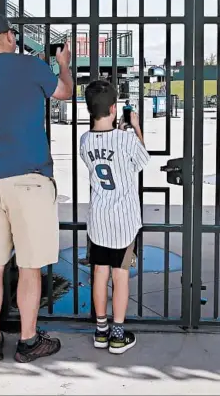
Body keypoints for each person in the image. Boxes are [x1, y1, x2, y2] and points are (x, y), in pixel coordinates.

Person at [0, 13, 73, 362]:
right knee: (30, 266)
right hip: (29, 179)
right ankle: (29, 340)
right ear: (6, 36)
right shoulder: (29, 66)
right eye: (12, 34)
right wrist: (63, 64)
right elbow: (64, 93)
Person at [79, 80, 149, 354]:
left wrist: (117, 131)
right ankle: (118, 336)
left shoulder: (85, 140)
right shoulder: (127, 139)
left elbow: (101, 156)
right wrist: (136, 126)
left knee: (99, 273)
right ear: (113, 107)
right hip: (124, 221)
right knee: (120, 275)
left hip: (99, 220)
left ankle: (100, 331)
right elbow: (141, 160)